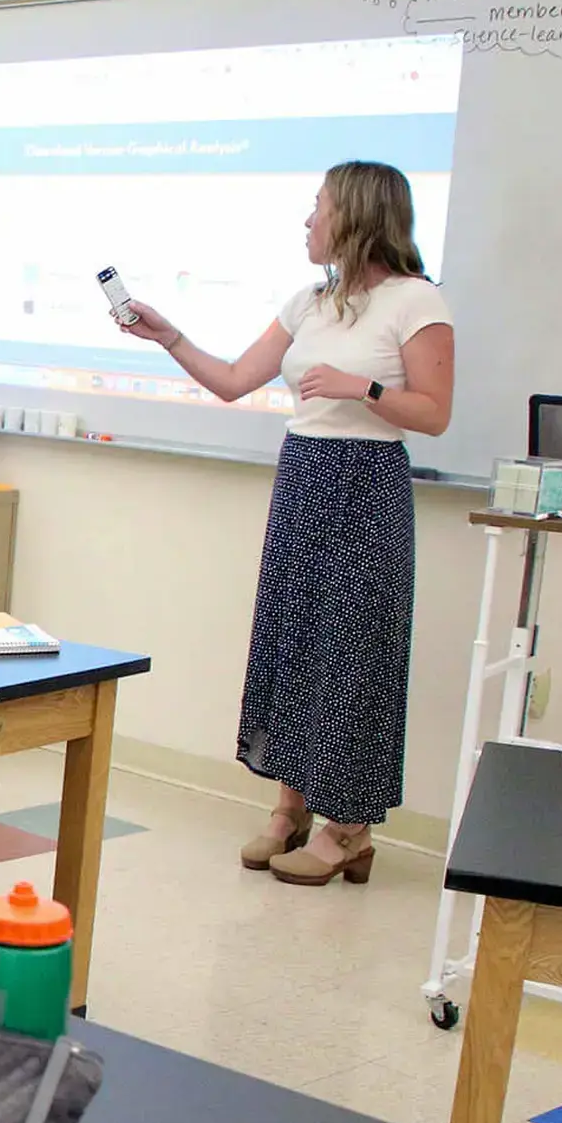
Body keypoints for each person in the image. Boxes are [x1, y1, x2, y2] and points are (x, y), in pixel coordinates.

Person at [116, 159, 455, 886]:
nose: (308, 220)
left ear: (359, 216)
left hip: (366, 486)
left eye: (319, 206)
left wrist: (362, 389)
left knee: (352, 651)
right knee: (292, 638)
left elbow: (434, 413)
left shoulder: (417, 302)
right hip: (303, 477)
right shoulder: (310, 300)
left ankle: (350, 829)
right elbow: (238, 380)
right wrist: (170, 338)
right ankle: (289, 807)